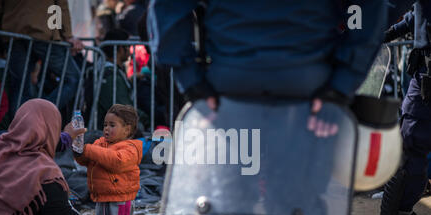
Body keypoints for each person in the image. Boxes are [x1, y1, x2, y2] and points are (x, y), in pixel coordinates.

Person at [147, 0, 387, 136]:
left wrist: (192, 83)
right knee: (301, 206)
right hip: (308, 87)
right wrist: (341, 85)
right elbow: (373, 11)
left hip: (230, 86)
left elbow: (167, 9)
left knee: (230, 201)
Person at [354, 0, 431, 215]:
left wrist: (358, 28)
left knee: (409, 144)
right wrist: (381, 33)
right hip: (424, 71)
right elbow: (414, 14)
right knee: (408, 143)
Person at [0, 0, 84, 118]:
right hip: (44, 31)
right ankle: (39, 114)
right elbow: (61, 5)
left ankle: (19, 129)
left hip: (14, 32)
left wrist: (7, 22)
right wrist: (67, 35)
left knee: (20, 86)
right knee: (73, 79)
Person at [75, 104, 143, 215]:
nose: (106, 128)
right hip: (102, 199)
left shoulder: (131, 148)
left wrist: (87, 149)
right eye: (105, 124)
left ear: (127, 129)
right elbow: (86, 161)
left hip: (120, 201)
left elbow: (116, 161)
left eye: (112, 125)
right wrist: (79, 152)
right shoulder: (100, 143)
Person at [98, 28, 149, 129]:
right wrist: (147, 119)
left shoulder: (108, 69)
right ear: (120, 49)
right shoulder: (111, 76)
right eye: (128, 46)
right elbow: (124, 109)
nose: (130, 50)